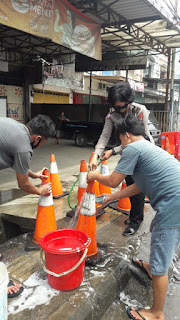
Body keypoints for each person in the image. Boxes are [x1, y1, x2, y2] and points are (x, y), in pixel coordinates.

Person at [88, 116, 180, 320]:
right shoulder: (148, 148)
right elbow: (139, 186)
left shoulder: (132, 148)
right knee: (159, 231)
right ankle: (152, 268)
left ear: (126, 135)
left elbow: (113, 180)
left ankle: (156, 313)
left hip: (174, 204)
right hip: (175, 202)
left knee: (161, 257)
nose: (121, 145)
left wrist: (94, 177)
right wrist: (110, 198)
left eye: (120, 140)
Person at [90, 82, 154, 236]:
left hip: (143, 151)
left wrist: (113, 151)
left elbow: (141, 137)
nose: (119, 109)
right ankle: (135, 216)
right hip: (127, 150)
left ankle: (135, 221)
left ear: (129, 100)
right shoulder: (111, 114)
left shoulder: (140, 111)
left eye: (122, 106)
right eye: (116, 106)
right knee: (131, 184)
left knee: (138, 188)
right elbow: (104, 136)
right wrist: (95, 155)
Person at [0, 114, 56, 195]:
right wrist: (40, 190)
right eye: (43, 142)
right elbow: (23, 184)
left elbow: (15, 162)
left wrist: (33, 175)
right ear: (38, 139)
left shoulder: (12, 123)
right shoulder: (24, 148)